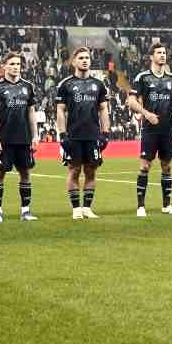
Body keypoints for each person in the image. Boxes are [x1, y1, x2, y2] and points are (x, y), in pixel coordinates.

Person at [127, 43, 172, 217]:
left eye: (164, 52)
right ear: (151, 56)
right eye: (159, 53)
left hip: (167, 129)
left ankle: (167, 205)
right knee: (145, 166)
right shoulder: (143, 78)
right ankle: (141, 207)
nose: (162, 55)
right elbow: (131, 101)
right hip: (150, 129)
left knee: (167, 166)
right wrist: (146, 114)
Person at [57, 47, 111, 220]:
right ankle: (76, 209)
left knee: (91, 171)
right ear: (74, 61)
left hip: (93, 135)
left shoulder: (98, 84)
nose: (85, 60)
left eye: (87, 57)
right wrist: (62, 134)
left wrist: (105, 133)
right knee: (74, 171)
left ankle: (87, 208)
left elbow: (104, 110)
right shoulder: (65, 85)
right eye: (81, 58)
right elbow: (60, 111)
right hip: (73, 135)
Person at [0, 52, 40, 222]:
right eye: (12, 64)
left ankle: (25, 211)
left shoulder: (28, 87)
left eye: (18, 64)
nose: (15, 67)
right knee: (0, 172)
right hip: (5, 139)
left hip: (24, 139)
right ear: (4, 66)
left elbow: (32, 112)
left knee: (25, 173)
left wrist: (35, 136)